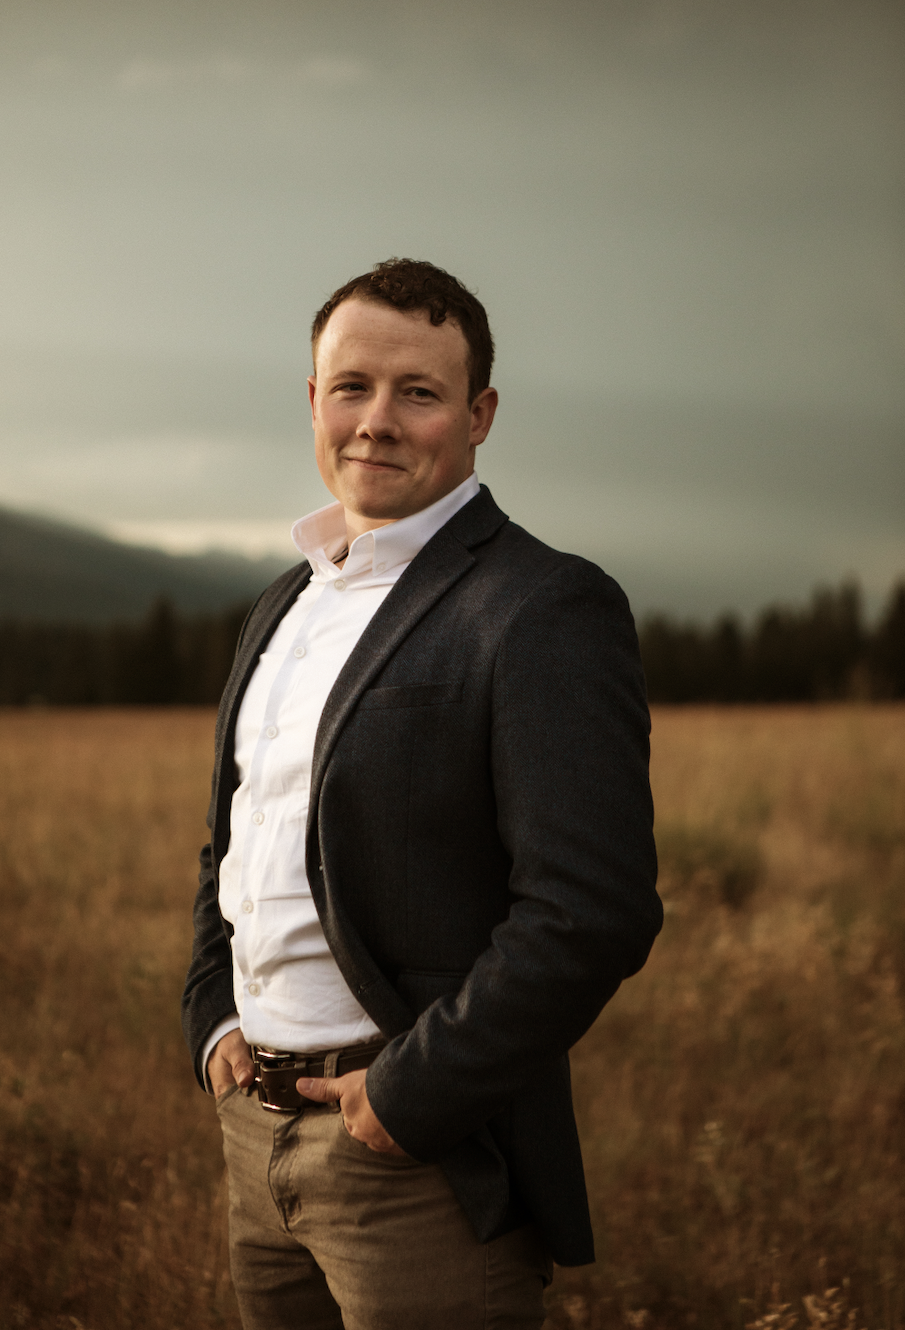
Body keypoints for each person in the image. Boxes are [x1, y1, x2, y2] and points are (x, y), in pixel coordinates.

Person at [181, 257, 661, 1330]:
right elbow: (234, 839)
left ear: (480, 413)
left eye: (420, 392)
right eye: (351, 387)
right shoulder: (285, 604)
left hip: (415, 1160)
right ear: (314, 400)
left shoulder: (541, 606)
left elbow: (590, 909)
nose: (376, 421)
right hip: (252, 1139)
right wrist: (210, 1019)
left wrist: (409, 1098)